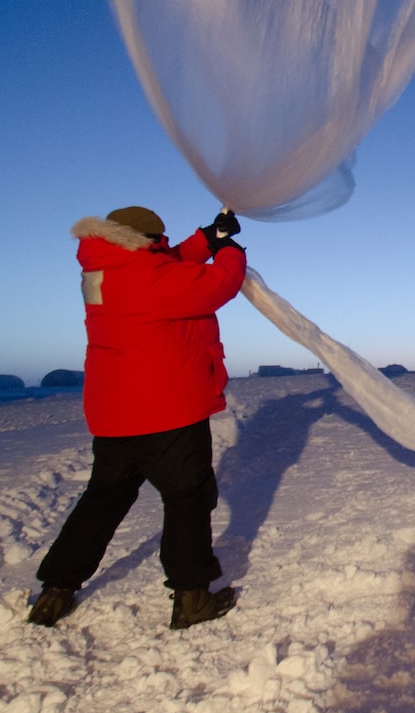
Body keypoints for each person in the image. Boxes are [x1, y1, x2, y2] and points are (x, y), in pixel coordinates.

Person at [26, 205, 248, 631]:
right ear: (145, 241)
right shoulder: (152, 278)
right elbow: (217, 284)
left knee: (103, 500)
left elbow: (162, 269)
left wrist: (205, 238)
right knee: (188, 500)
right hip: (168, 412)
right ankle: (192, 598)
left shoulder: (102, 272)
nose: (162, 247)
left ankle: (56, 590)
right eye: (159, 241)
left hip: (114, 415)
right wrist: (229, 251)